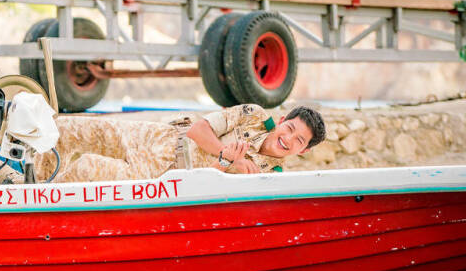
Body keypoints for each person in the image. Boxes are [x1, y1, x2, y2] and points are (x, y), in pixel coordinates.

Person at [32, 104, 326, 183]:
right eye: (289, 128)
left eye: (299, 140)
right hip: (162, 137)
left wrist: (224, 163)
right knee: (72, 128)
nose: (287, 138)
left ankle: (41, 200)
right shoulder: (254, 116)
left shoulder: (267, 177)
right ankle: (28, 178)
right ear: (284, 118)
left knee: (87, 168)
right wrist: (226, 152)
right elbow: (199, 130)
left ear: (305, 150)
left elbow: (205, 185)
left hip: (162, 174)